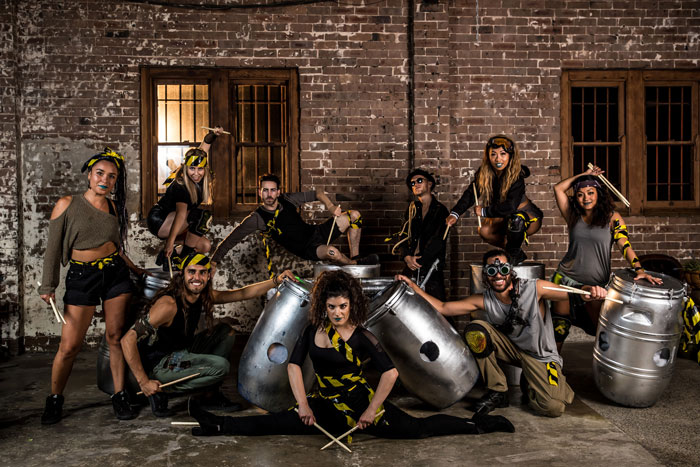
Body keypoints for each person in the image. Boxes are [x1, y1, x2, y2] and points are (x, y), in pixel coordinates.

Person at [188, 270, 515, 439]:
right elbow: (293, 366)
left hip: (361, 405)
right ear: (323, 306)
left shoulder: (362, 336)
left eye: (343, 306)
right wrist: (303, 404)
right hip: (323, 404)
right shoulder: (312, 331)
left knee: (417, 429)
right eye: (331, 307)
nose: (337, 312)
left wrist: (372, 410)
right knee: (277, 422)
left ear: (351, 305)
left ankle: (476, 425)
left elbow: (390, 373)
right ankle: (218, 426)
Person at [398, 249, 607, 418]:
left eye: (503, 269)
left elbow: (573, 293)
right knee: (476, 330)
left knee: (553, 408)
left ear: (510, 272)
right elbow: (443, 307)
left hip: (540, 356)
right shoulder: (484, 299)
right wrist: (413, 287)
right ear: (486, 275)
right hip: (512, 350)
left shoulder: (535, 288)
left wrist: (591, 291)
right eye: (492, 271)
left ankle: (531, 383)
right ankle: (498, 391)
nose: (498, 275)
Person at [38, 148, 145, 424]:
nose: (104, 180)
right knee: (69, 345)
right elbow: (52, 250)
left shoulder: (114, 208)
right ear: (89, 175)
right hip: (82, 277)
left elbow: (116, 248)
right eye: (100, 173)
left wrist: (136, 270)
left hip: (114, 274)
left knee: (115, 336)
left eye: (111, 176)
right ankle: (54, 399)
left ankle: (119, 395)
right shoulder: (67, 204)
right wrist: (48, 285)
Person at [120, 253, 297, 417]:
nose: (197, 277)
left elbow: (242, 293)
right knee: (221, 366)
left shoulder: (201, 295)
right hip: (160, 365)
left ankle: (209, 395)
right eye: (192, 272)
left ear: (208, 275)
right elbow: (127, 339)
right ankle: (161, 391)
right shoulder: (168, 305)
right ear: (182, 274)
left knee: (225, 332)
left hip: (181, 351)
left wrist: (276, 280)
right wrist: (144, 382)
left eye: (202, 272)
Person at [550, 165, 662, 348]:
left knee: (602, 332)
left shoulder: (613, 218)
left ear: (599, 194)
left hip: (596, 286)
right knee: (559, 329)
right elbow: (558, 188)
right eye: (580, 194)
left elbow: (624, 245)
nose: (586, 198)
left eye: (590, 193)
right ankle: (553, 365)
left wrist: (639, 270)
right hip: (566, 279)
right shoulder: (572, 215)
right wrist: (584, 174)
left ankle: (604, 367)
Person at [211, 174, 377, 276]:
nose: (269, 194)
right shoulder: (257, 218)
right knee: (333, 252)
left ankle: (356, 257)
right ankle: (355, 266)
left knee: (354, 216)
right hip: (308, 249)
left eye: (272, 190)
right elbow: (232, 239)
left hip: (317, 232)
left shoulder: (288, 199)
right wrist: (214, 261)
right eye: (265, 190)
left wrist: (330, 207)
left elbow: (318, 192)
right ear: (259, 192)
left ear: (278, 192)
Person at [446, 135, 543, 265]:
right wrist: (455, 214)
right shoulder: (485, 173)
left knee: (516, 220)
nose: (498, 159)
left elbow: (511, 206)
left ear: (511, 155)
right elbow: (470, 194)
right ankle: (514, 252)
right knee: (484, 231)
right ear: (488, 156)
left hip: (527, 218)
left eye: (503, 154)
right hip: (503, 217)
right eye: (493, 154)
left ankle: (513, 253)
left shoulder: (517, 175)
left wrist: (484, 211)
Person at [147, 127, 224, 269]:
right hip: (160, 220)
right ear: (185, 168)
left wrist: (213, 135)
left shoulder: (201, 178)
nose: (196, 173)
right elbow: (181, 214)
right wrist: (169, 243)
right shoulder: (181, 184)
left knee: (204, 246)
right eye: (192, 169)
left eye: (200, 169)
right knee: (202, 215)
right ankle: (183, 257)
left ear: (205, 168)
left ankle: (175, 255)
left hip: (176, 221)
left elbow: (203, 149)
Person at [390, 168, 449, 300]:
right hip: (411, 264)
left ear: (429, 184)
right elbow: (403, 235)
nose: (416, 184)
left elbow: (438, 241)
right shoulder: (413, 209)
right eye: (412, 183)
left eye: (420, 181)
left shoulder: (440, 210)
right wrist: (406, 256)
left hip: (431, 267)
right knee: (404, 302)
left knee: (435, 306)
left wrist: (419, 261)